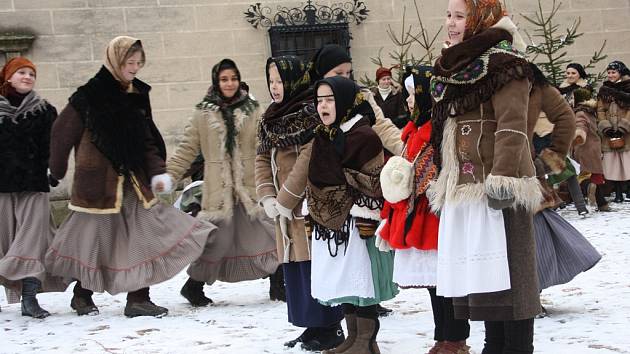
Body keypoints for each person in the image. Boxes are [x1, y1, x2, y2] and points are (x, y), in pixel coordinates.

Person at [45, 36, 215, 317]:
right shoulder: (88, 96)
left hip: (134, 181)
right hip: (98, 184)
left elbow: (146, 137)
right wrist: (57, 169)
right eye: (129, 62)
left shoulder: (136, 94)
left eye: (138, 63)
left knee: (144, 235)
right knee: (96, 241)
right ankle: (81, 294)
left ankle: (138, 298)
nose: (134, 68)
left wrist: (158, 172)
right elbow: (62, 133)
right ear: (114, 60)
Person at [428, 1, 541, 352]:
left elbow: (512, 124)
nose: (451, 23)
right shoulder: (454, 68)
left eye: (459, 16)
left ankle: (517, 348)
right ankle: (494, 346)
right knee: (486, 285)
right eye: (448, 15)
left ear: (480, 19)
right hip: (464, 188)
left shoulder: (508, 66)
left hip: (498, 188)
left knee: (513, 283)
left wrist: (502, 178)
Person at [165, 58, 279, 306]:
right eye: (224, 79)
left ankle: (278, 284)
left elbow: (268, 145)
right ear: (216, 81)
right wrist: (170, 176)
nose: (230, 83)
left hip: (250, 186)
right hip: (218, 190)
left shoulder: (254, 109)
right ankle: (193, 286)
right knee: (217, 240)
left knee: (267, 232)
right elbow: (187, 149)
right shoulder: (202, 114)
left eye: (234, 78)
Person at [255, 56, 346, 351]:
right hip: (284, 209)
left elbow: (308, 158)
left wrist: (285, 199)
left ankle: (330, 326)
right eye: (271, 81)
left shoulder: (312, 113)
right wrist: (267, 195)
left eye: (280, 81)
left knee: (317, 265)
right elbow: (260, 159)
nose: (275, 87)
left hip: (309, 203)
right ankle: (310, 326)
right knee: (296, 269)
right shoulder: (270, 118)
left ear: (293, 80)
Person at [377, 66, 470, 354]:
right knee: (434, 282)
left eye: (411, 96)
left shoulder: (439, 130)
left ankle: (455, 338)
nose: (407, 102)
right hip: (418, 212)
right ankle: (442, 336)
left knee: (446, 281)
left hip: (435, 214)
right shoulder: (416, 129)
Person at [307, 75, 398, 354]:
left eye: (330, 99)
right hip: (333, 223)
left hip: (358, 224)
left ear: (344, 101)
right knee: (344, 280)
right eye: (319, 100)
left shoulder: (363, 135)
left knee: (361, 279)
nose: (323, 106)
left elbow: (373, 181)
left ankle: (366, 342)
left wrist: (347, 188)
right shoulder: (323, 136)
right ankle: (352, 337)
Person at [0, 57, 65, 318]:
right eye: (21, 73)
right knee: (4, 242)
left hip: (34, 185)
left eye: (31, 74)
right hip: (2, 188)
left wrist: (54, 171)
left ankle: (30, 298)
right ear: (8, 77)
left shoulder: (45, 111)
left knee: (33, 240)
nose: (27, 77)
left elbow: (54, 146)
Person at [572, 87, 610, 211]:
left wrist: (578, 134)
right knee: (596, 177)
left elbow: (580, 125)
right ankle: (602, 204)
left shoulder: (580, 112)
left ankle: (588, 187)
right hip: (595, 147)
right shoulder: (590, 111)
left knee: (583, 177)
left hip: (584, 147)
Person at [597, 61, 630, 203]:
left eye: (613, 72)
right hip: (610, 132)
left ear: (620, 73)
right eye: (609, 72)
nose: (610, 75)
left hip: (627, 133)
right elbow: (600, 110)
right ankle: (617, 193)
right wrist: (606, 127)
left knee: (627, 161)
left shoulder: (628, 88)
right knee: (614, 163)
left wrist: (624, 126)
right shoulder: (604, 90)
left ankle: (628, 190)